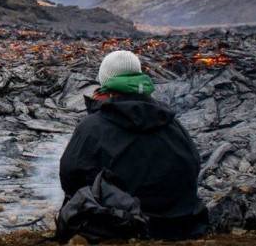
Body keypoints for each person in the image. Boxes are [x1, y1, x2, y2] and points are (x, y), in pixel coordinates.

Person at [59, 50, 209, 240]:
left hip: (123, 225)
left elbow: (70, 177)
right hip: (182, 224)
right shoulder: (171, 122)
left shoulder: (93, 126)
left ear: (105, 81)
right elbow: (193, 164)